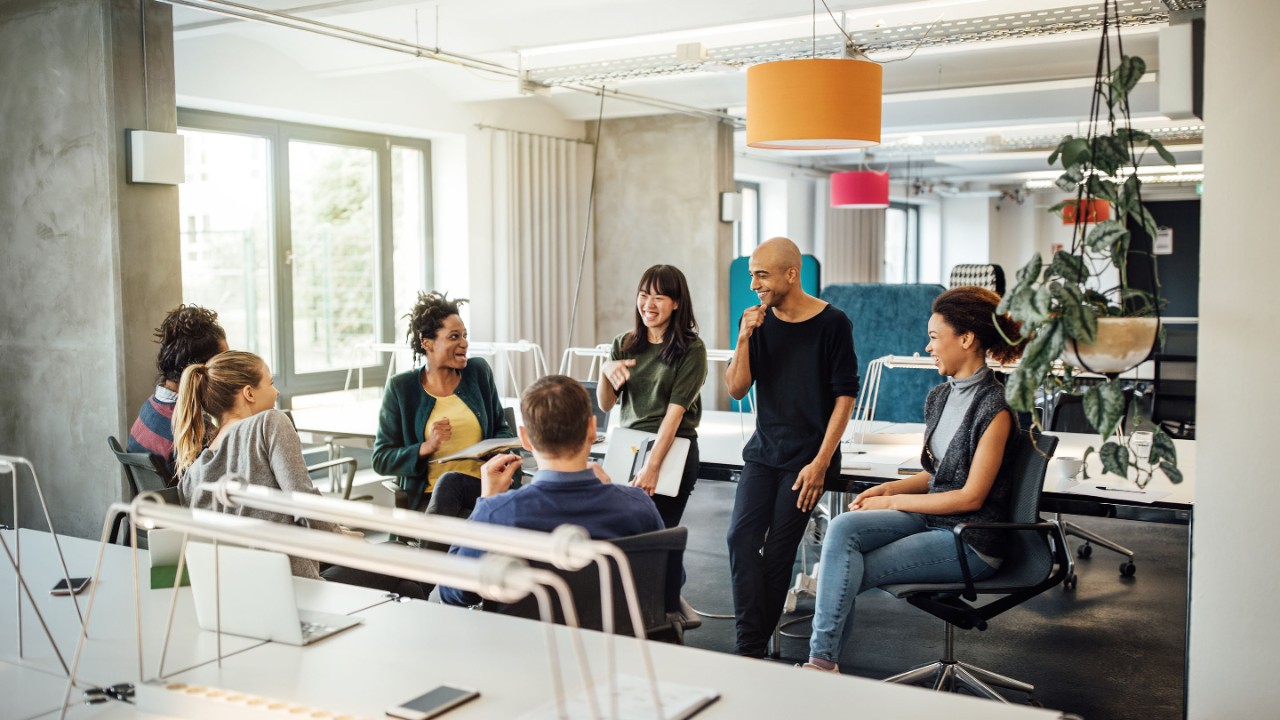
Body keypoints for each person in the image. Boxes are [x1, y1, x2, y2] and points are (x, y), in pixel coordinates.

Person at [802, 285, 1026, 673]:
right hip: (935, 519)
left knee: (847, 569)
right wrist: (891, 487)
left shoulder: (997, 408)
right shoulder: (939, 396)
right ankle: (823, 662)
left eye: (935, 337)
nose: (928, 347)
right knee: (843, 528)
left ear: (967, 339)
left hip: (970, 540)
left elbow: (970, 497)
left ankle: (822, 664)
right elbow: (938, 475)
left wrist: (892, 502)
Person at [174, 351, 424, 598]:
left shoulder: (193, 472)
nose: (277, 392)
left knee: (406, 589)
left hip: (240, 598)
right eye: (270, 383)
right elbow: (304, 502)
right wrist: (347, 541)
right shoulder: (269, 423)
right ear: (249, 393)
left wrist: (340, 533)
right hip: (298, 591)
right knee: (404, 553)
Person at [724, 236, 859, 659]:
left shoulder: (833, 323)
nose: (754, 285)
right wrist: (744, 338)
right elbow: (736, 388)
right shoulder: (759, 322)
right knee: (739, 538)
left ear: (791, 273)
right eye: (751, 275)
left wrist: (821, 462)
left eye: (761, 275)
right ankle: (752, 646)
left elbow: (844, 397)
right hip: (764, 451)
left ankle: (750, 649)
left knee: (779, 553)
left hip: (808, 459)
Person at [440, 375, 664, 607]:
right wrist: (618, 498)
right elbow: (668, 585)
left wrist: (485, 502)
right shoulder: (637, 506)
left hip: (524, 641)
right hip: (610, 640)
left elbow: (453, 593)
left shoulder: (495, 514)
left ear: (525, 438)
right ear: (591, 429)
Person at [372, 291, 515, 521]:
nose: (464, 343)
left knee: (464, 519)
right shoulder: (402, 388)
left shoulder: (478, 372)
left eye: (465, 336)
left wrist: (493, 448)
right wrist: (426, 447)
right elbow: (381, 458)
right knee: (468, 526)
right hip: (429, 499)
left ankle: (427, 554)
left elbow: (502, 430)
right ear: (427, 342)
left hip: (480, 489)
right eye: (454, 336)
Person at [597, 264, 707, 528]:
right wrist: (605, 370)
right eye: (644, 295)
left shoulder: (692, 349)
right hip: (629, 445)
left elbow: (674, 415)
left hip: (671, 449)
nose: (649, 304)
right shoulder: (623, 344)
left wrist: (652, 466)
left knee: (658, 538)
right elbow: (605, 404)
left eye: (659, 297)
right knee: (624, 537)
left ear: (677, 303)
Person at [127, 304, 227, 479]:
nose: (227, 370)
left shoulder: (150, 408)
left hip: (154, 505)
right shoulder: (193, 429)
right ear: (197, 371)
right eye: (222, 363)